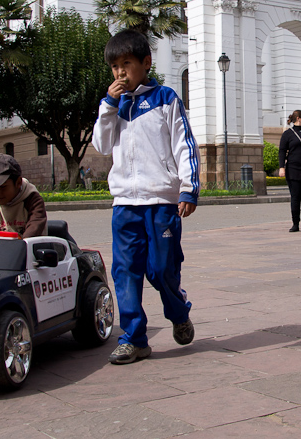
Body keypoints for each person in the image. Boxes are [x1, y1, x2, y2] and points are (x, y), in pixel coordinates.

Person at [93, 29, 200, 365]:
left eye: (126, 64)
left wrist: (188, 187)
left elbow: (185, 145)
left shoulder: (166, 98)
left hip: (162, 202)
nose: (120, 72)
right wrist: (109, 106)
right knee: (125, 271)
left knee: (161, 269)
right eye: (114, 67)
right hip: (125, 203)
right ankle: (134, 339)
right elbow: (101, 146)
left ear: (145, 62)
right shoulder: (113, 105)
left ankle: (178, 311)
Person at [0, 154, 47, 238]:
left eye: (3, 187)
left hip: (32, 247)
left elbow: (35, 226)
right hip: (7, 248)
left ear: (18, 183)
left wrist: (22, 244)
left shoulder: (33, 199)